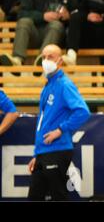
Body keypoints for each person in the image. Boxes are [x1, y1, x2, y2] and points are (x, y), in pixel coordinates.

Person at [28, 44, 90, 201]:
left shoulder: (64, 84)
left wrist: (60, 130)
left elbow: (83, 112)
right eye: (43, 57)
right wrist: (37, 154)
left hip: (58, 150)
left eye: (50, 57)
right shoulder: (48, 86)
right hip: (44, 152)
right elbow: (43, 122)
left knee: (58, 196)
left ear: (60, 61)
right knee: (35, 197)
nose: (46, 60)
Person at [0, 0, 76, 70]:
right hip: (35, 34)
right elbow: (21, 13)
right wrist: (43, 16)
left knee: (55, 24)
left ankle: (43, 59)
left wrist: (68, 16)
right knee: (24, 21)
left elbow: (77, 14)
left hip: (56, 37)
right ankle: (17, 59)